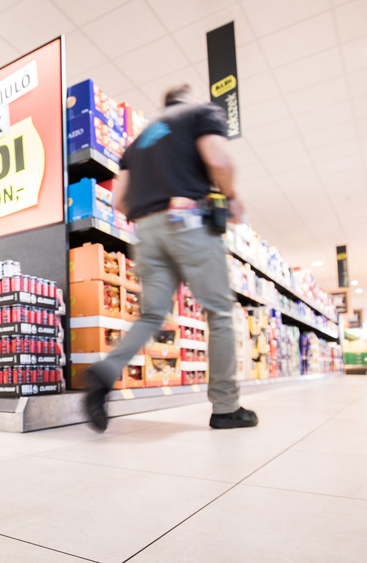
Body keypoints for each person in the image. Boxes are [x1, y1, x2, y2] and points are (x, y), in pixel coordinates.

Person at [81, 83, 258, 431]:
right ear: (186, 99)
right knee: (220, 312)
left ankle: (104, 372)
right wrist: (230, 195)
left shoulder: (138, 141)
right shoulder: (200, 113)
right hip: (189, 220)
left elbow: (120, 202)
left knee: (151, 315)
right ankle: (226, 407)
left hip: (147, 231)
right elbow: (219, 158)